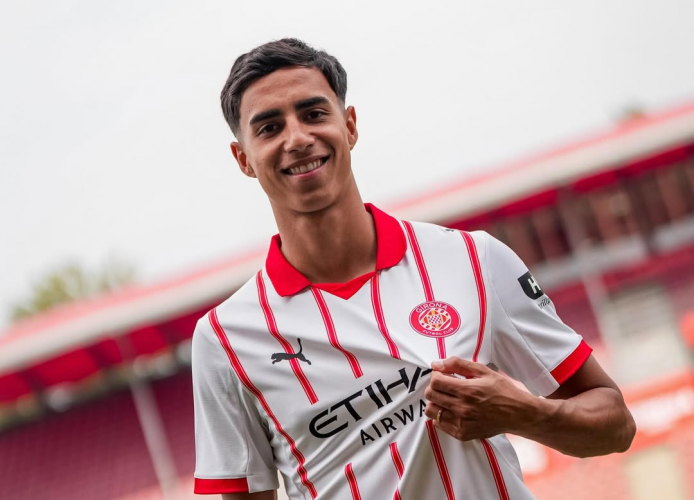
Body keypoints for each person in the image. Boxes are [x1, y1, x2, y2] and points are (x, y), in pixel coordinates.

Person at [191, 38, 636, 500]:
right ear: (243, 159)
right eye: (269, 128)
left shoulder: (473, 259)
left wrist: (525, 413)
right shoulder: (224, 341)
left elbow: (615, 424)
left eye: (314, 113)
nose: (297, 138)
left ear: (349, 125)